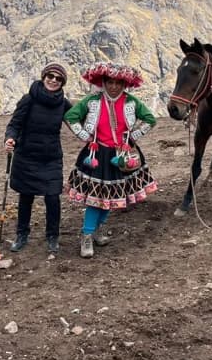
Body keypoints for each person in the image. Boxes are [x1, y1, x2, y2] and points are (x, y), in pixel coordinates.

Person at [64, 62, 158, 258]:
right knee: (95, 199)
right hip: (97, 154)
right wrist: (85, 136)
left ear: (125, 84)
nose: (114, 86)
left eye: (118, 82)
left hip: (121, 155)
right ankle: (87, 234)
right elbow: (71, 116)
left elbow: (150, 119)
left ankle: (97, 229)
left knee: (114, 196)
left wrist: (133, 137)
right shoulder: (92, 101)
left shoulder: (132, 102)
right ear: (103, 82)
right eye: (109, 82)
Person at [4, 63, 72, 254]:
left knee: (52, 197)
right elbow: (15, 124)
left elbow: (77, 123)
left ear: (62, 83)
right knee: (26, 197)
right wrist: (10, 138)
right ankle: (22, 234)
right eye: (50, 76)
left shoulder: (63, 103)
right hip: (27, 156)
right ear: (44, 77)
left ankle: (52, 236)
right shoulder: (29, 99)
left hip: (51, 157)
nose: (54, 80)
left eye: (59, 79)